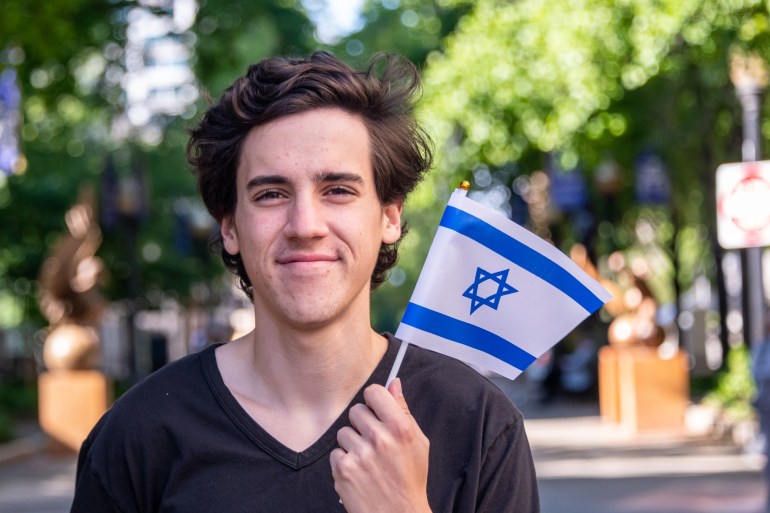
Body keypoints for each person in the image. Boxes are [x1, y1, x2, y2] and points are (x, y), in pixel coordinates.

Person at [71, 51, 539, 513]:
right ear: (230, 226)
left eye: (338, 190)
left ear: (389, 216)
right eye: (271, 194)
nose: (305, 224)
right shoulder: (138, 435)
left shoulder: (478, 422)